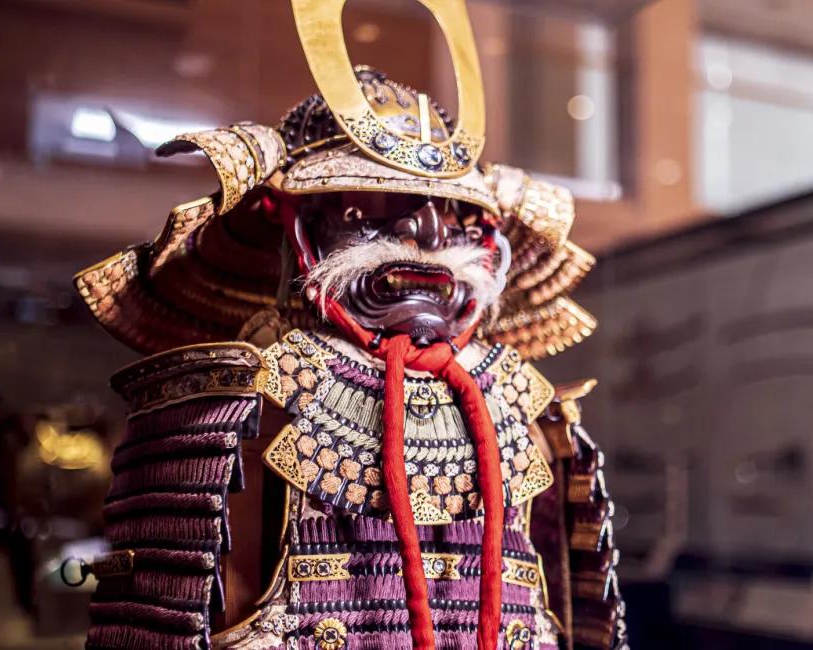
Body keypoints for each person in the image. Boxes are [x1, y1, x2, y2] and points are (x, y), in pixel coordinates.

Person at [73, 2, 624, 648]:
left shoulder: (530, 414)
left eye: (454, 215)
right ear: (302, 232)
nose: (427, 233)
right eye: (376, 209)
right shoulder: (227, 414)